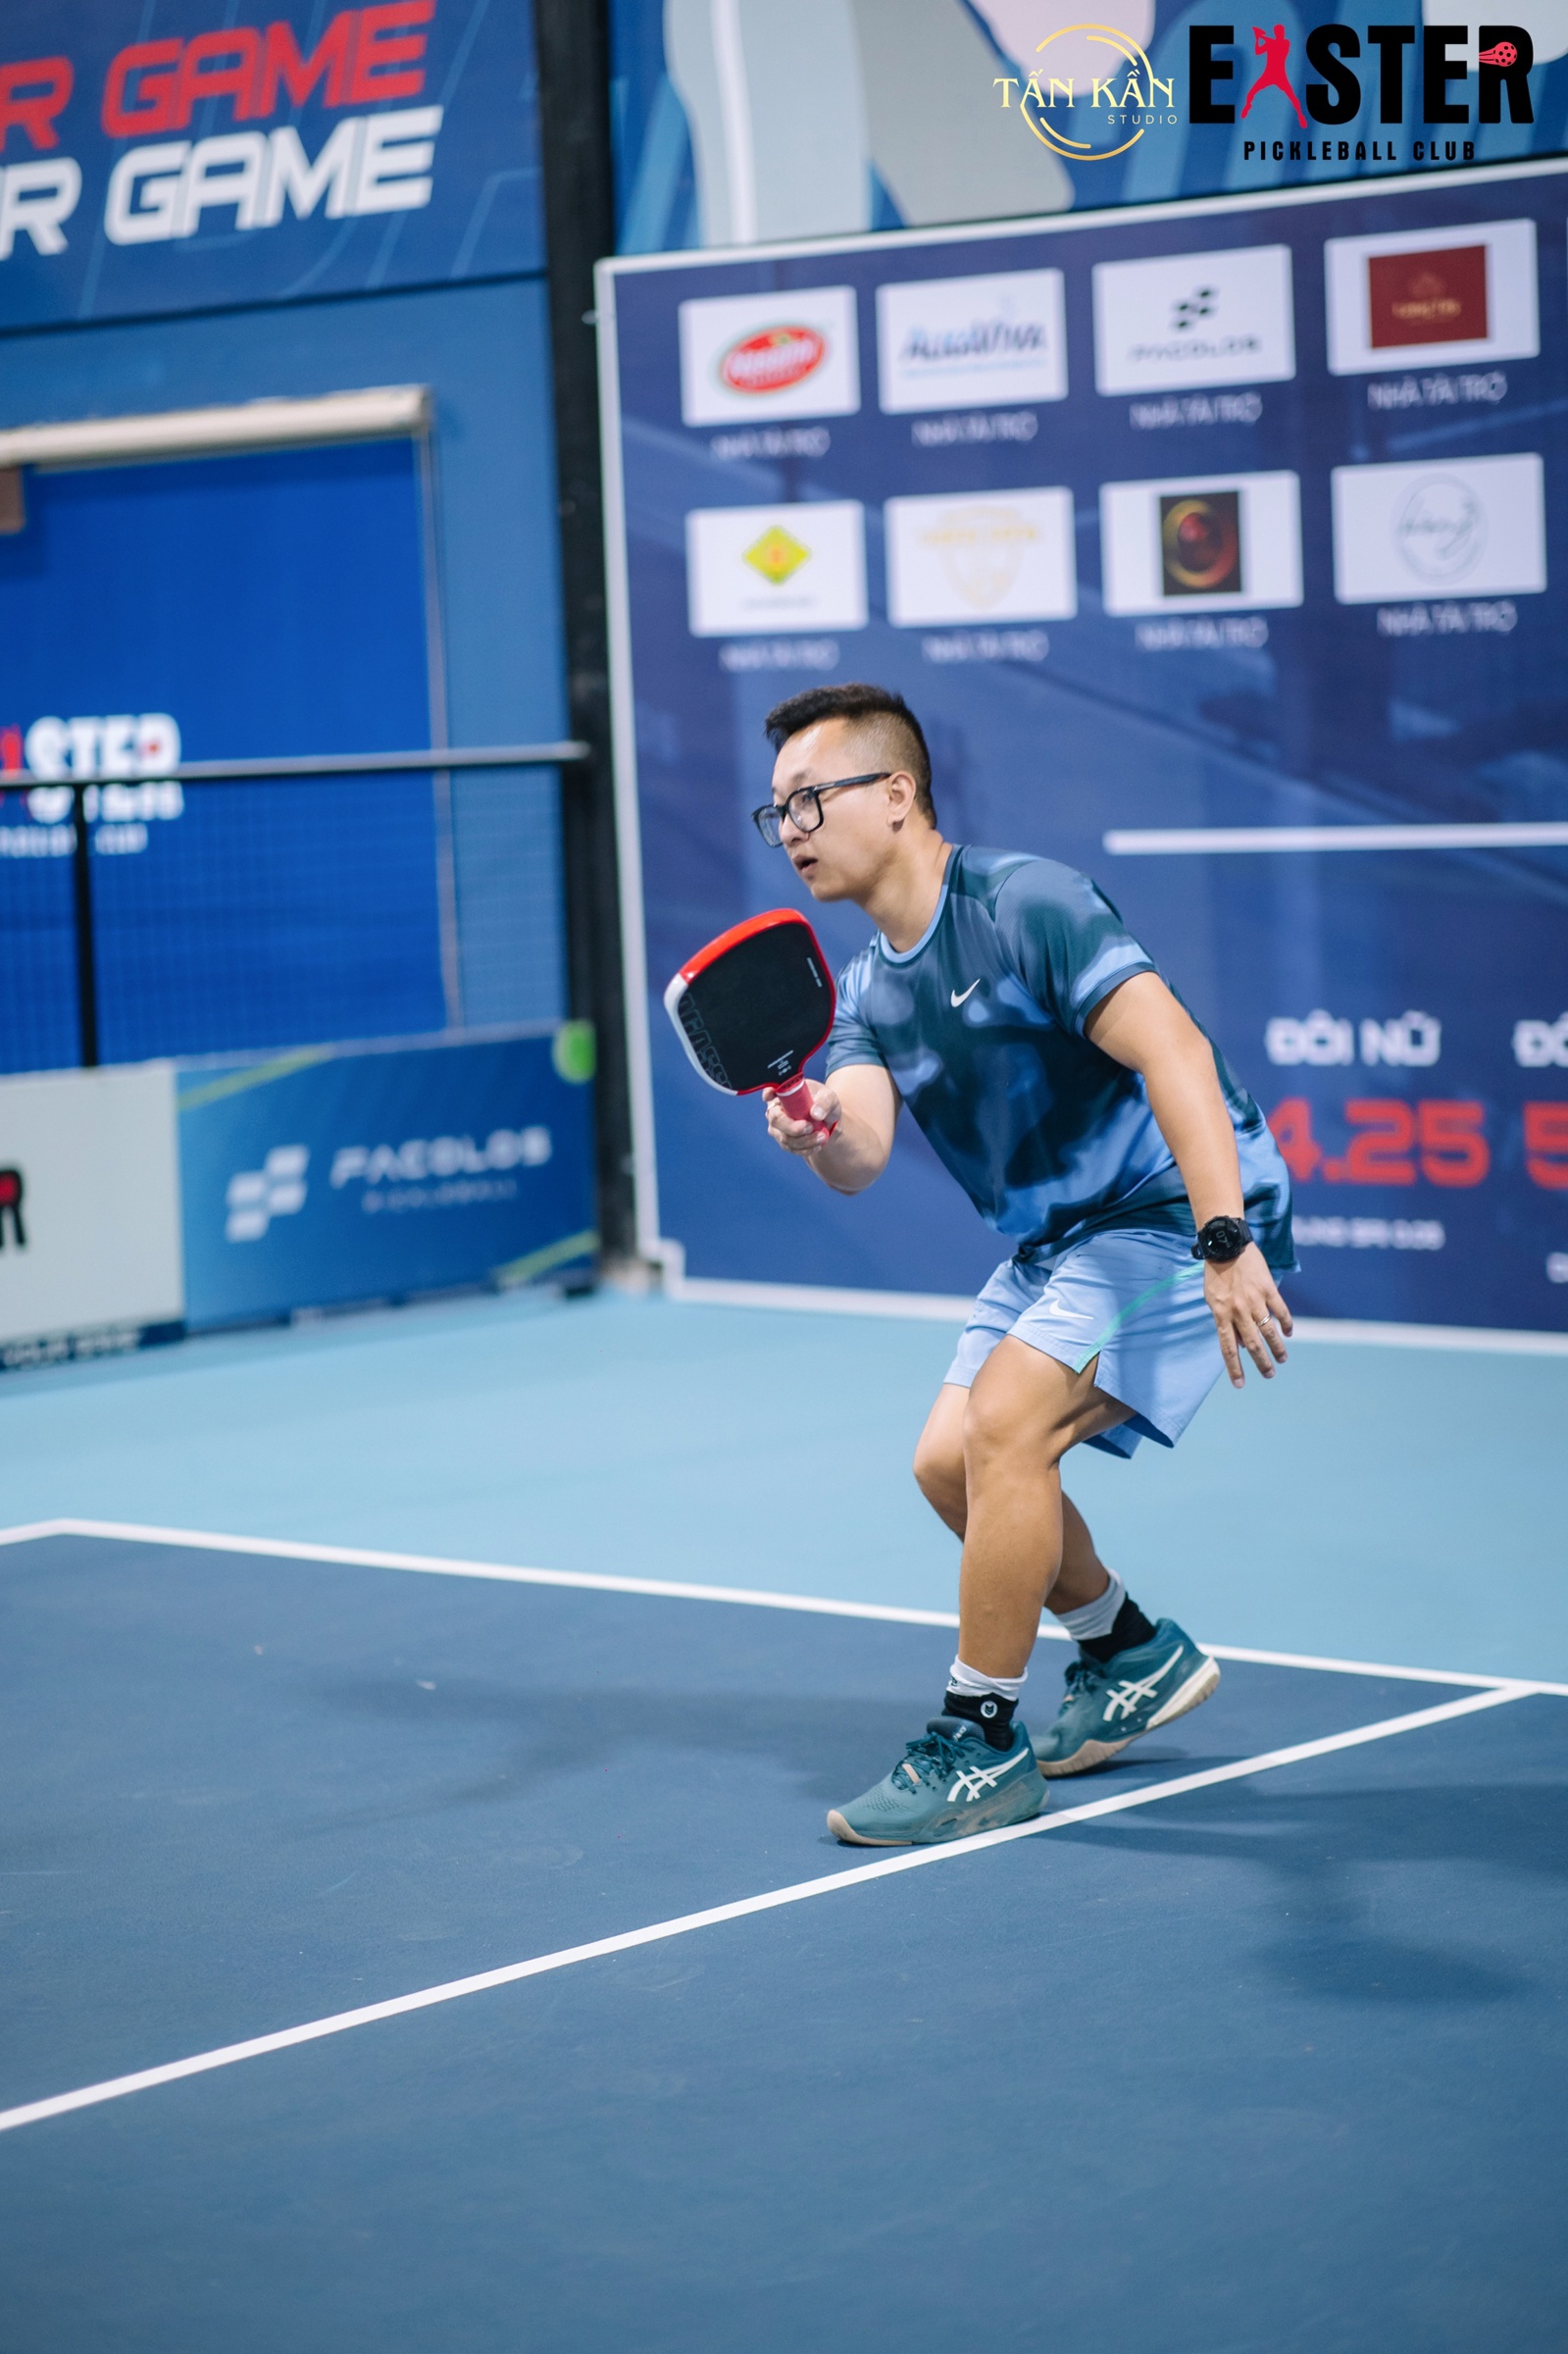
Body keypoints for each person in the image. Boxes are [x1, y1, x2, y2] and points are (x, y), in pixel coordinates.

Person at [755, 682, 1294, 1847]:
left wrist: (1225, 1237)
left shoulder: (1023, 905)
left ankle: (978, 1743)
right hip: (1063, 1240)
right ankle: (1127, 1651)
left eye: (808, 800)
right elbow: (860, 1154)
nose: (790, 829)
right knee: (947, 1463)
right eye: (777, 812)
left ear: (896, 794)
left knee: (1006, 1426)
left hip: (1171, 1205)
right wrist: (815, 1129)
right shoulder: (867, 989)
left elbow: (1174, 1050)